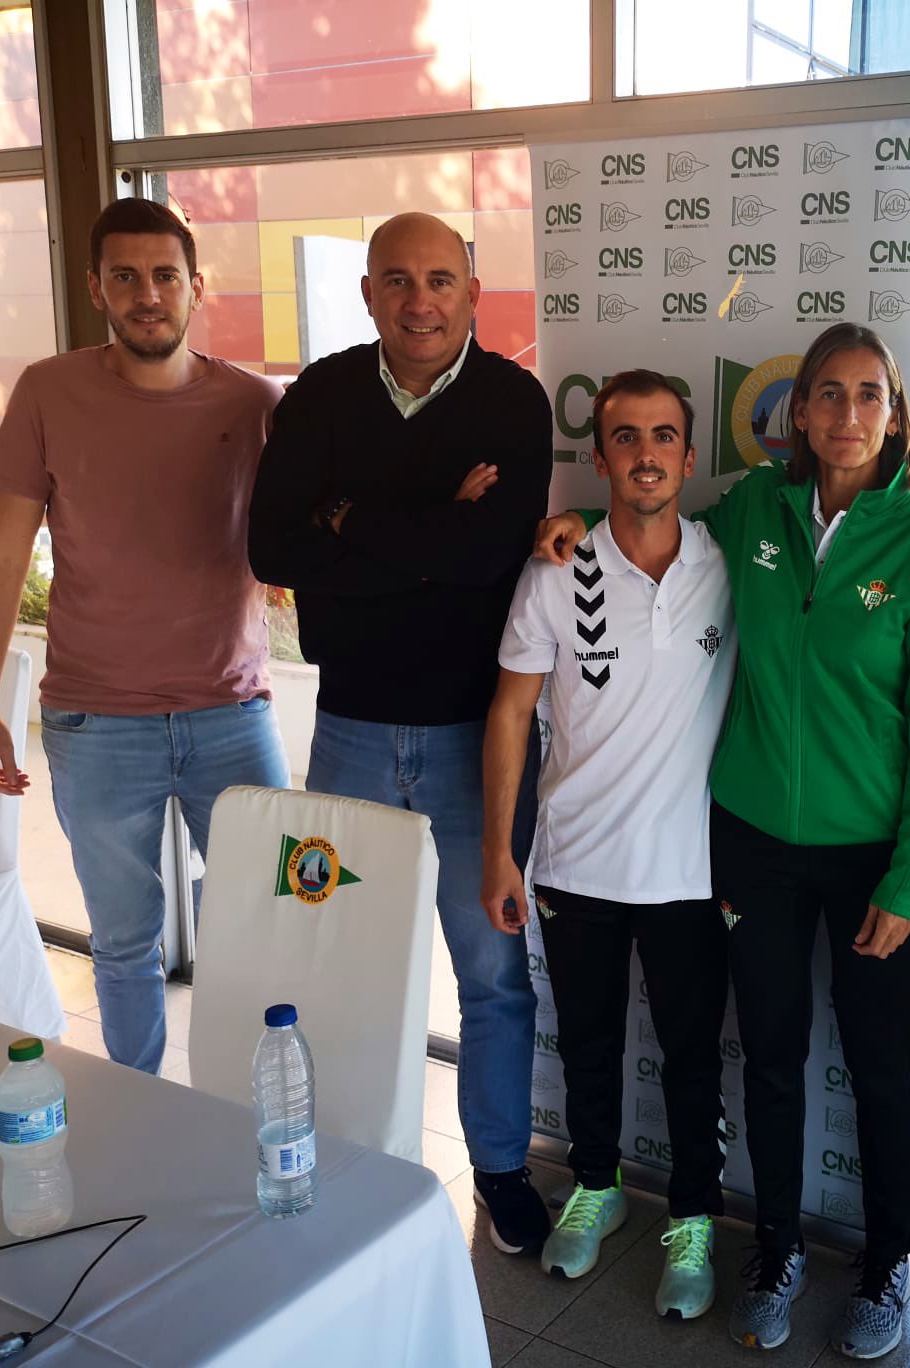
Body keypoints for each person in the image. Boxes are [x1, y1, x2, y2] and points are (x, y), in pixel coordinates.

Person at [538, 322, 910, 1359]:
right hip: (752, 845)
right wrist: (568, 526)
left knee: (880, 1068)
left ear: (895, 416)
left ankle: (887, 1261)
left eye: (870, 395)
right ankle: (774, 1249)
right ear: (800, 414)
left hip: (874, 857)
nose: (849, 414)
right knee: (772, 1060)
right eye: (830, 393)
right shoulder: (752, 512)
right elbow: (651, 527)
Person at [247, 212, 555, 1255]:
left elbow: (485, 559)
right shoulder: (320, 395)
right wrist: (435, 524)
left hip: (480, 740)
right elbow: (272, 549)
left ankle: (500, 1170)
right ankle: (355, 1159)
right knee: (343, 966)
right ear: (369, 292)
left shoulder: (512, 402)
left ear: (472, 291)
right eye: (396, 280)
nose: (419, 300)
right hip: (351, 731)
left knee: (494, 976)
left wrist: (349, 517)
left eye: (439, 279)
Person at [0, 198, 288, 1074]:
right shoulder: (48, 391)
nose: (148, 294)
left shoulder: (257, 403)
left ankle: (246, 1109)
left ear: (195, 286)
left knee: (266, 930)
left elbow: (327, 521)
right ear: (95, 288)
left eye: (164, 276)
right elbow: (2, 554)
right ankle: (139, 1113)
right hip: (96, 721)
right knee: (123, 944)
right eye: (126, 276)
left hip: (232, 713)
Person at [482, 370, 736, 1317]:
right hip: (574, 863)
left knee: (691, 1059)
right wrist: (498, 853)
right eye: (625, 437)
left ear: (689, 456)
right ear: (599, 457)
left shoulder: (728, 566)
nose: (646, 455)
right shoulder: (556, 568)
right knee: (587, 1047)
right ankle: (597, 1186)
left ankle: (694, 1219)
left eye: (663, 436)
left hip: (688, 870)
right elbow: (511, 714)